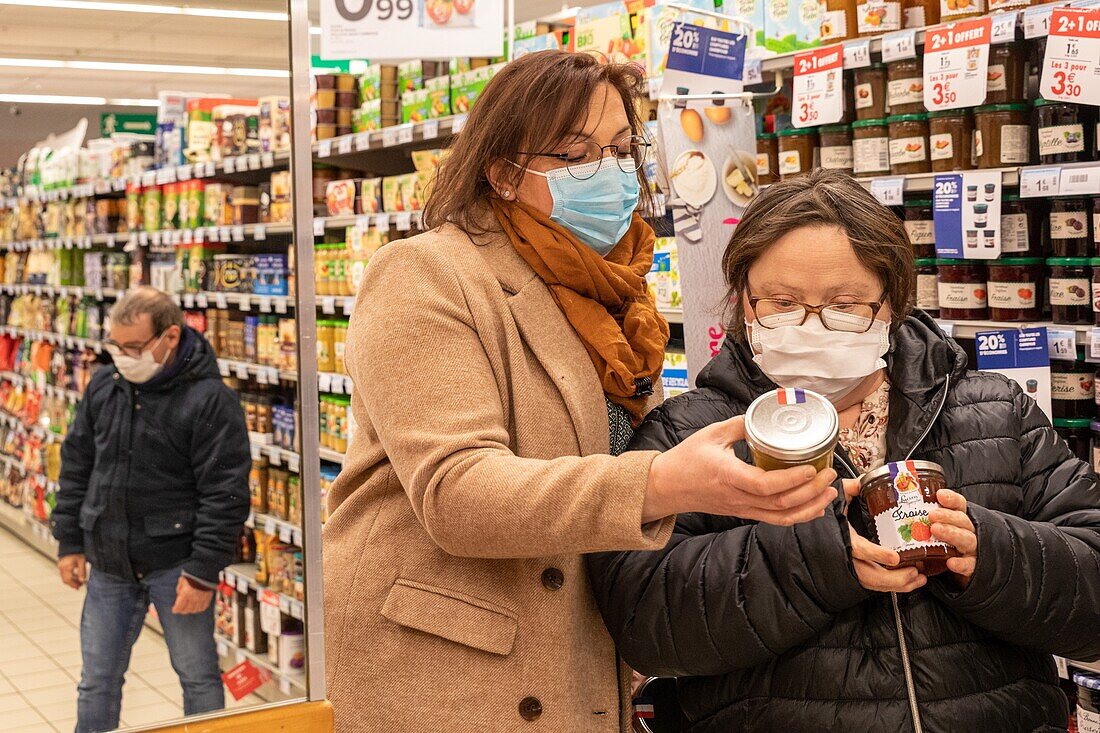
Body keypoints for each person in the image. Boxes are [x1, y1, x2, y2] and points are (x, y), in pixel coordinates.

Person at [322, 50, 839, 732]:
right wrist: (660, 484)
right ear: (503, 171)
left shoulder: (613, 291)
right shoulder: (425, 276)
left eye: (625, 150)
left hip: (576, 652)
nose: (614, 173)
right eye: (577, 155)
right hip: (455, 670)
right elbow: (456, 490)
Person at [587, 169, 1100, 732]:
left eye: (846, 304)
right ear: (744, 304)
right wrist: (812, 561)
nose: (811, 325)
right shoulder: (694, 434)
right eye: (781, 303)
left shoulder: (996, 413)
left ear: (893, 304)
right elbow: (644, 622)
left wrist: (994, 553)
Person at [51, 287, 251, 733]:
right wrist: (69, 540)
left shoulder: (209, 400)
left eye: (135, 348)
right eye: (115, 347)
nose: (123, 357)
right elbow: (77, 462)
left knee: (198, 677)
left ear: (171, 336)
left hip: (177, 564)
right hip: (108, 559)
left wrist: (202, 572)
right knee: (97, 681)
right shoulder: (105, 385)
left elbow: (226, 493)